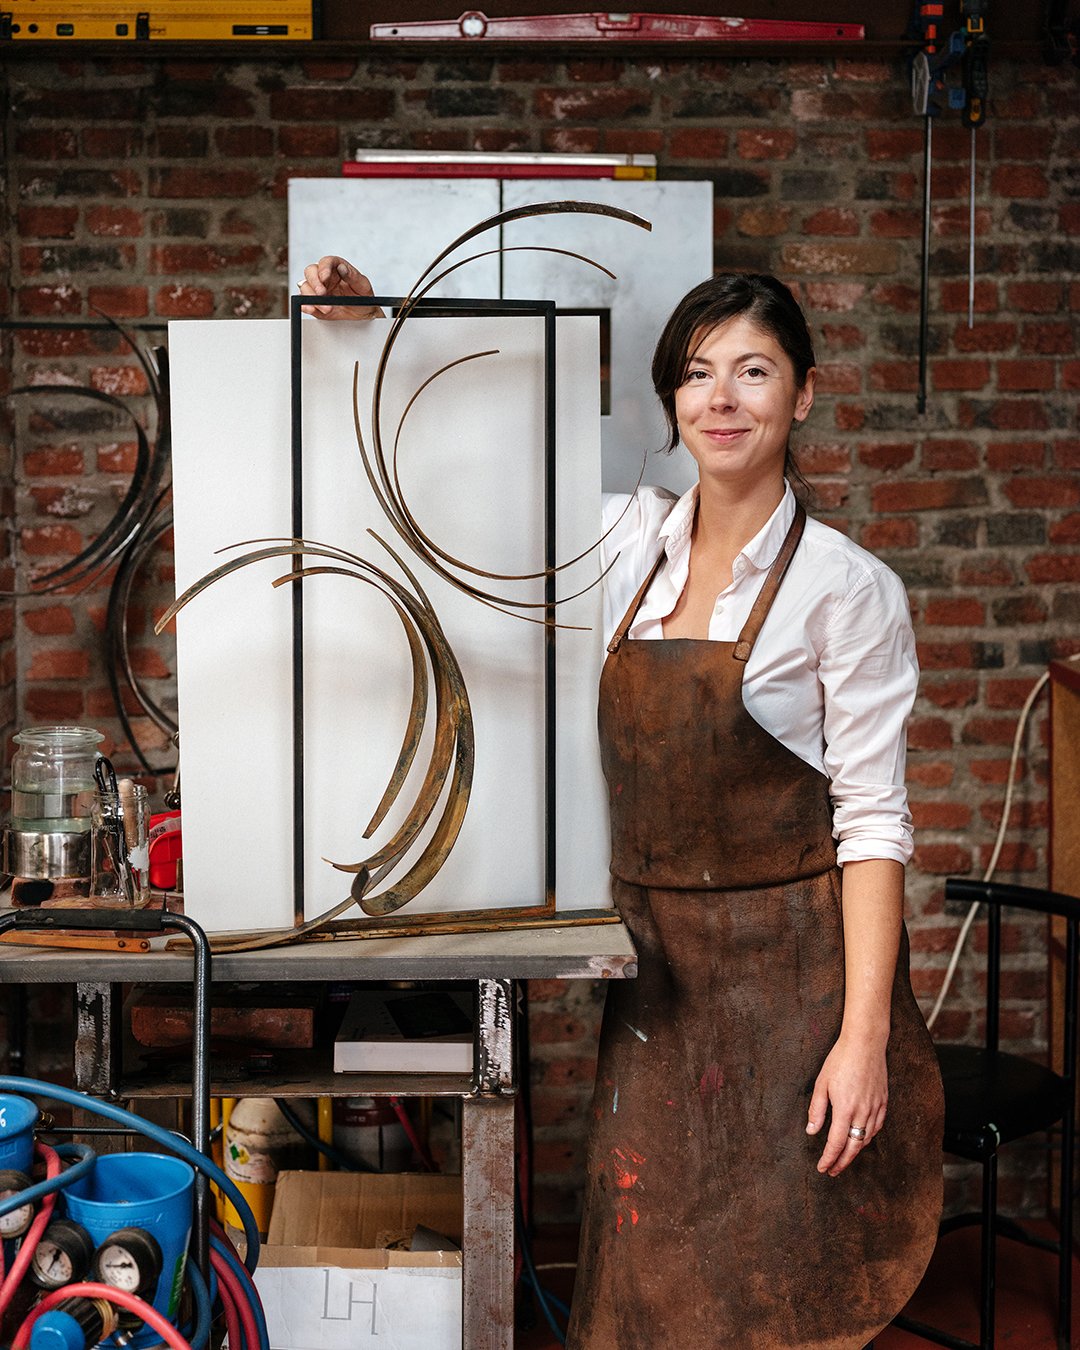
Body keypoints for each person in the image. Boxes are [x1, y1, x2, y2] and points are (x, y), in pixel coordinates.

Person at [300, 257, 944, 1349]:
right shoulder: (618, 545)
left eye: (753, 371)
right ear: (672, 398)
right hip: (659, 989)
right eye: (697, 374)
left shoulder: (847, 589)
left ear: (805, 394)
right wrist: (377, 332)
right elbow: (447, 486)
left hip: (796, 989)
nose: (722, 399)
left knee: (779, 1298)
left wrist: (863, 1039)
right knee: (639, 1289)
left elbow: (871, 826)